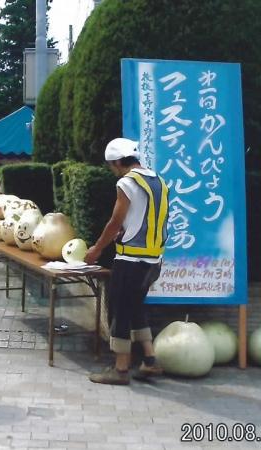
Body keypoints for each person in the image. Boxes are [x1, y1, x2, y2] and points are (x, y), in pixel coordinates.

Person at [84, 138, 170, 386]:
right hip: (154, 259)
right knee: (135, 306)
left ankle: (120, 370)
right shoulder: (159, 181)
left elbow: (115, 221)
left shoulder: (127, 182)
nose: (113, 170)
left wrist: (96, 249)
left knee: (120, 310)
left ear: (119, 162)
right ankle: (149, 361)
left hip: (131, 259)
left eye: (112, 165)